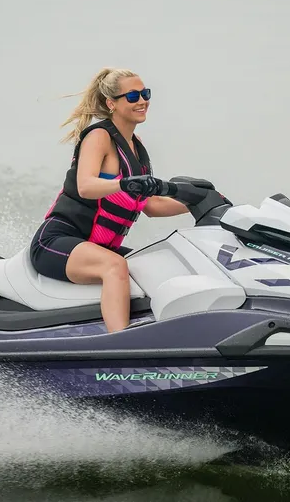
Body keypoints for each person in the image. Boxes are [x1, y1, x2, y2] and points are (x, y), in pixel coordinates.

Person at [30, 67, 189, 333]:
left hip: (98, 248)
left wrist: (200, 202)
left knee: (159, 262)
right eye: (133, 96)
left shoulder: (136, 147)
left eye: (145, 93)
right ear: (111, 103)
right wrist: (124, 183)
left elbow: (149, 205)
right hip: (56, 242)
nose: (142, 101)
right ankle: (121, 344)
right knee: (116, 265)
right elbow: (86, 185)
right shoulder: (99, 137)